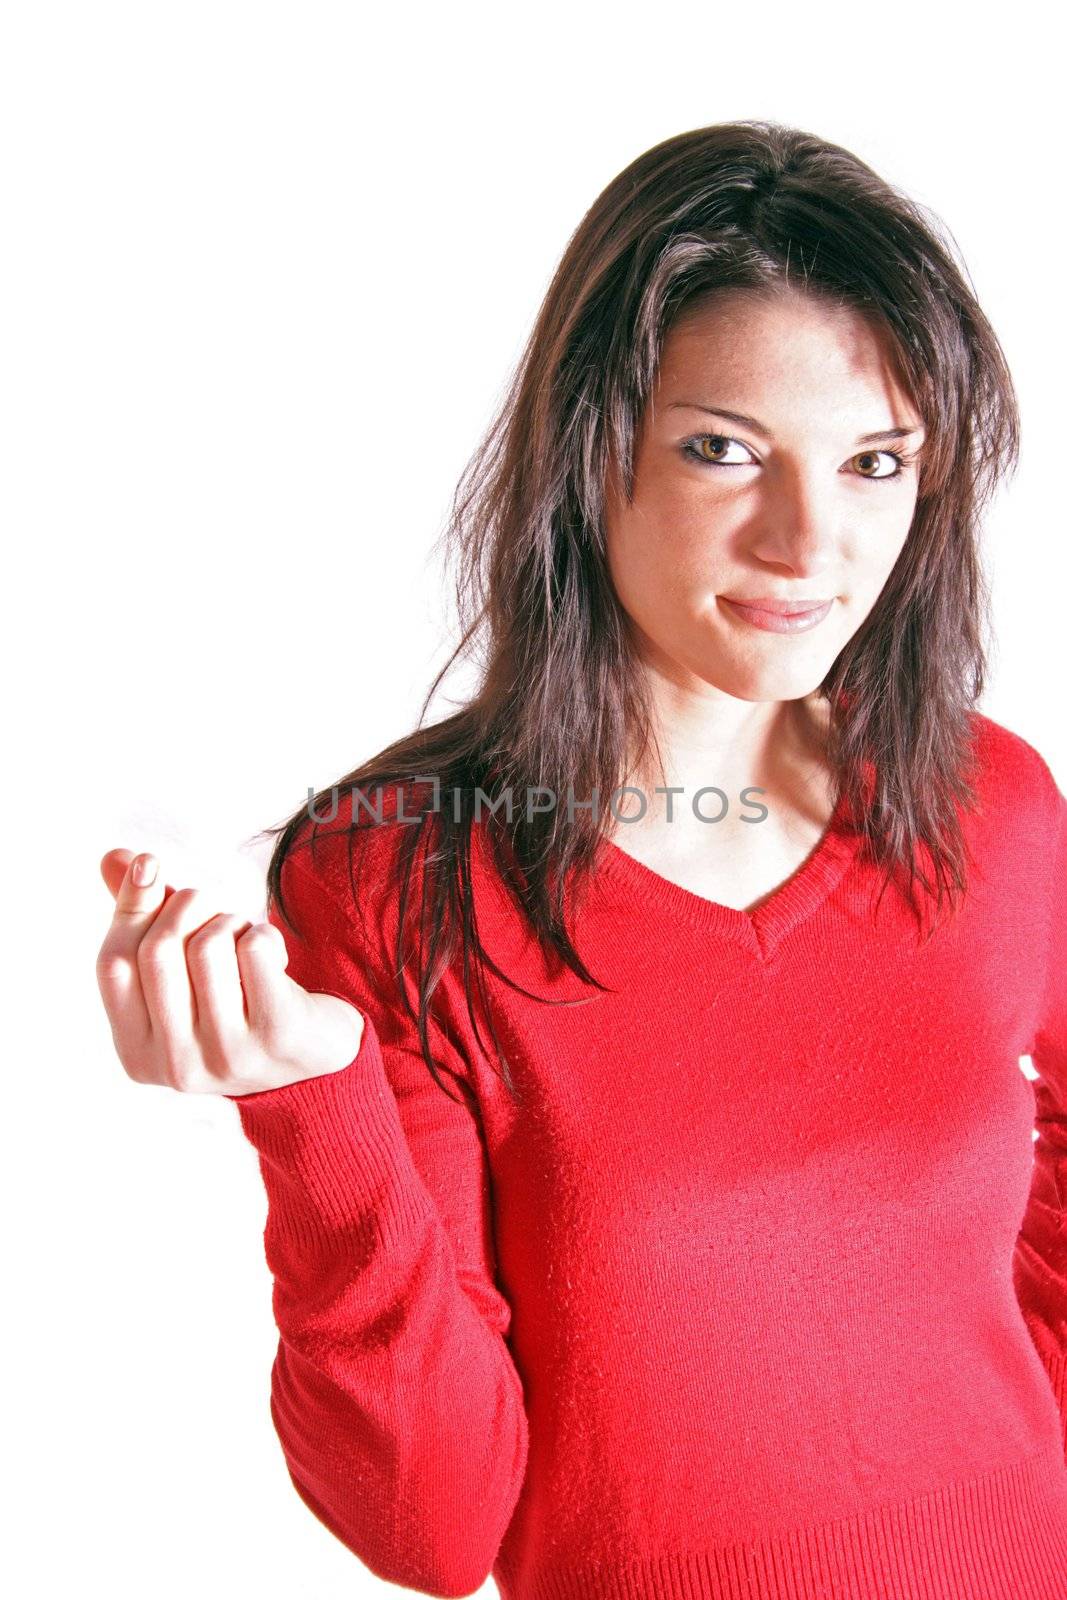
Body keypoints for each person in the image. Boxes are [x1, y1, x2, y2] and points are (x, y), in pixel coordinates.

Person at [96, 120, 1067, 1599]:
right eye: (725, 450)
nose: (812, 542)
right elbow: (431, 1528)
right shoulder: (395, 883)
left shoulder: (989, 809)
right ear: (591, 447)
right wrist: (313, 1110)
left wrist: (1022, 1438)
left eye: (876, 461)